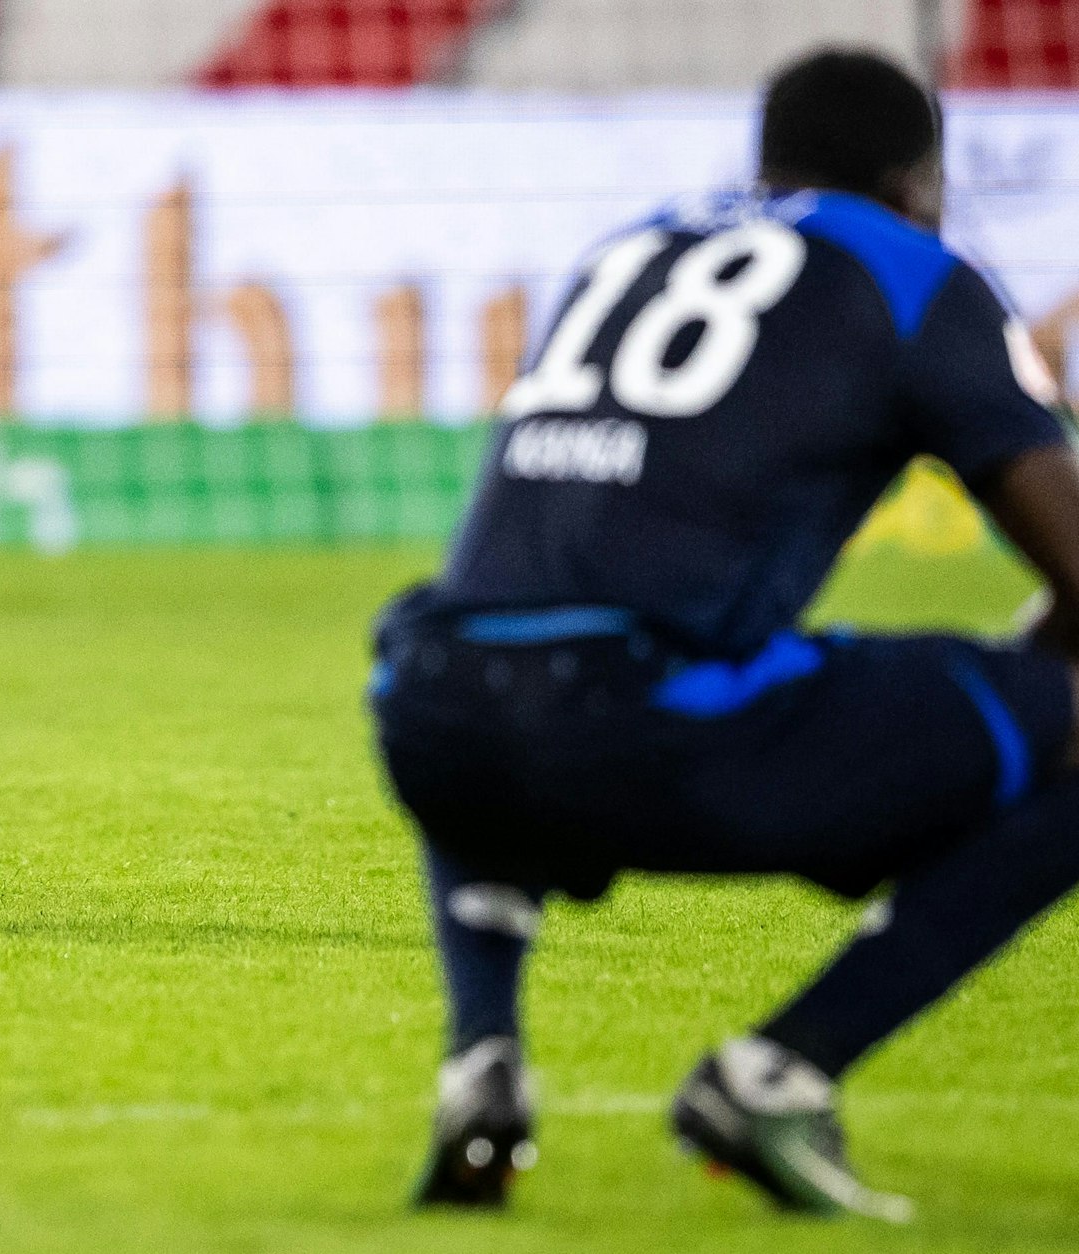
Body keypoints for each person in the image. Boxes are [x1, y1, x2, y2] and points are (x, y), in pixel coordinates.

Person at [371, 49, 1079, 1219]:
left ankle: (480, 1059)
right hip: (637, 719)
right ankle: (778, 1073)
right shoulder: (913, 272)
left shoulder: (636, 245)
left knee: (503, 666)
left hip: (424, 703)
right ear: (917, 182)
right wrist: (1022, 705)